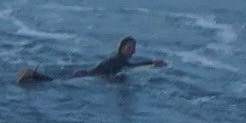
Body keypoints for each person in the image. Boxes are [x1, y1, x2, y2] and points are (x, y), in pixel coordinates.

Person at [20, 36, 163, 85]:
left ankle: (33, 75)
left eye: (133, 47)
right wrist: (152, 63)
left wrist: (151, 62)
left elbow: (131, 65)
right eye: (129, 47)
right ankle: (32, 74)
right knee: (55, 83)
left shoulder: (118, 57)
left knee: (56, 81)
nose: (132, 50)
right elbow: (132, 66)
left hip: (84, 73)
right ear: (122, 47)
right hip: (86, 75)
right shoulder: (119, 59)